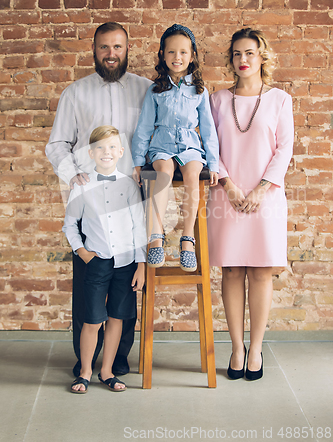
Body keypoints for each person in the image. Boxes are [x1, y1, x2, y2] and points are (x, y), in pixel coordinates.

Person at [45, 22, 152, 377]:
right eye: (104, 47)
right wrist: (72, 176)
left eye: (117, 47)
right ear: (94, 50)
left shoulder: (146, 91)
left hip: (130, 204)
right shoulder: (75, 93)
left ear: (127, 49)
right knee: (88, 287)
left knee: (123, 292)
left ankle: (118, 359)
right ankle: (86, 361)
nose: (111, 54)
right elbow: (57, 143)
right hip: (90, 207)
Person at [207, 28, 294, 380]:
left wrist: (260, 190)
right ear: (231, 59)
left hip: (266, 198)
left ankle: (256, 348)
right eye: (237, 54)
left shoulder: (279, 100)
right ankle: (237, 347)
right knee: (231, 269)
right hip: (226, 195)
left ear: (262, 57)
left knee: (260, 271)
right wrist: (228, 185)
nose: (243, 60)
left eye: (250, 53)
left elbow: (284, 149)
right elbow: (210, 148)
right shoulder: (216, 100)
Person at [63, 126, 146, 393]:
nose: (106, 152)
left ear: (121, 152)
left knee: (117, 318)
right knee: (93, 319)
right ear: (91, 153)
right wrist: (83, 252)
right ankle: (85, 371)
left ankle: (107, 371)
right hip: (97, 263)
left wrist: (141, 265)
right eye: (100, 148)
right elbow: (70, 225)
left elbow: (139, 227)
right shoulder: (83, 186)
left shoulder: (129, 185)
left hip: (125, 263)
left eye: (112, 147)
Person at [132, 24, 219, 272]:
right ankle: (157, 235)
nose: (177, 57)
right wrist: (138, 162)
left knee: (192, 175)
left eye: (183, 52)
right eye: (171, 52)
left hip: (190, 147)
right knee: (163, 173)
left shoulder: (199, 90)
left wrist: (213, 163)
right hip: (162, 145)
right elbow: (144, 127)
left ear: (192, 56)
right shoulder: (155, 90)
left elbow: (209, 128)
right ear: (163, 54)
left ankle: (187, 238)